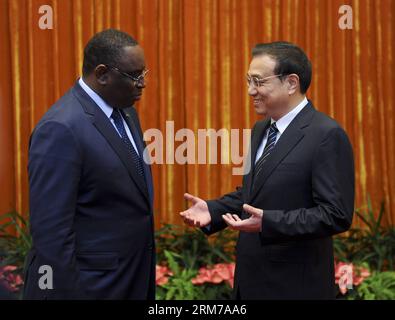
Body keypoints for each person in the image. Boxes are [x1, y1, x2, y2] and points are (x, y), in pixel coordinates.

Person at [180, 42, 355, 299]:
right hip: (251, 283)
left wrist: (269, 223)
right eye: (248, 81)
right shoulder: (261, 130)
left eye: (259, 82)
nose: (251, 91)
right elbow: (253, 196)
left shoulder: (326, 135)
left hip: (294, 287)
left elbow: (335, 214)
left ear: (292, 83)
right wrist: (214, 209)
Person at [23, 29, 155, 299]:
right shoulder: (60, 128)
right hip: (90, 288)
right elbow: (52, 235)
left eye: (144, 74)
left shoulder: (126, 112)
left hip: (129, 280)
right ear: (103, 74)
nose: (142, 84)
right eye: (134, 76)